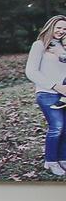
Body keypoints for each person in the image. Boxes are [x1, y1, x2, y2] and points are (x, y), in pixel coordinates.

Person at [28, 14, 66, 176]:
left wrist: (61, 53)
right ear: (51, 26)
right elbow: (31, 71)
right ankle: (50, 161)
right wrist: (55, 86)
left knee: (65, 128)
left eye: (65, 29)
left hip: (64, 94)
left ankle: (63, 158)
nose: (61, 31)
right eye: (58, 27)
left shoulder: (63, 47)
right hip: (47, 92)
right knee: (57, 126)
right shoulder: (39, 45)